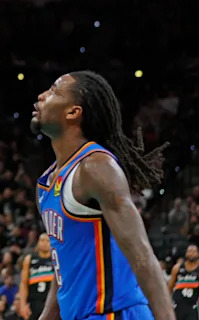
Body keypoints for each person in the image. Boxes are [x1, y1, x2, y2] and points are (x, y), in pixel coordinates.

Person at [31, 71, 174, 320]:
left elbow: (141, 255)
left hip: (114, 313)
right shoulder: (45, 184)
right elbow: (64, 266)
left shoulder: (96, 167)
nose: (42, 96)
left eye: (53, 91)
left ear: (73, 112)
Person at [17, 235, 54, 320]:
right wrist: (23, 304)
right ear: (38, 242)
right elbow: (23, 283)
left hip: (51, 300)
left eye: (47, 241)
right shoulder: (29, 259)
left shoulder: (55, 258)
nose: (44, 243)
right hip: (34, 301)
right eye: (42, 240)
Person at [169, 245, 199, 320]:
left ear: (197, 254)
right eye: (190, 251)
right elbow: (169, 289)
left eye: (194, 252)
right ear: (186, 253)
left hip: (192, 308)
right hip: (177, 307)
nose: (191, 254)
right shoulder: (177, 268)